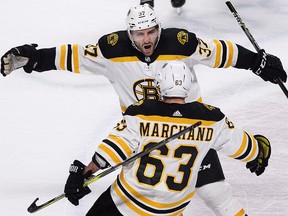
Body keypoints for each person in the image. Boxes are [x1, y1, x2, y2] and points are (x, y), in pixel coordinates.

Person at [0, 3, 285, 216]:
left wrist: (256, 63)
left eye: (151, 32)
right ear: (129, 34)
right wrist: (36, 58)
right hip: (160, 137)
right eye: (139, 34)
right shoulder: (112, 52)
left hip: (161, 135)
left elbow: (220, 51)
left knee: (215, 195)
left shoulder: (181, 44)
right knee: (215, 197)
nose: (146, 40)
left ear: (159, 28)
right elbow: (71, 56)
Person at [64, 61, 272, 216]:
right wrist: (259, 151)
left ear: (159, 84)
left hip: (128, 203)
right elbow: (247, 149)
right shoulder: (211, 118)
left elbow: (110, 153)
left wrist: (82, 174)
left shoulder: (141, 112)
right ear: (189, 85)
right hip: (171, 209)